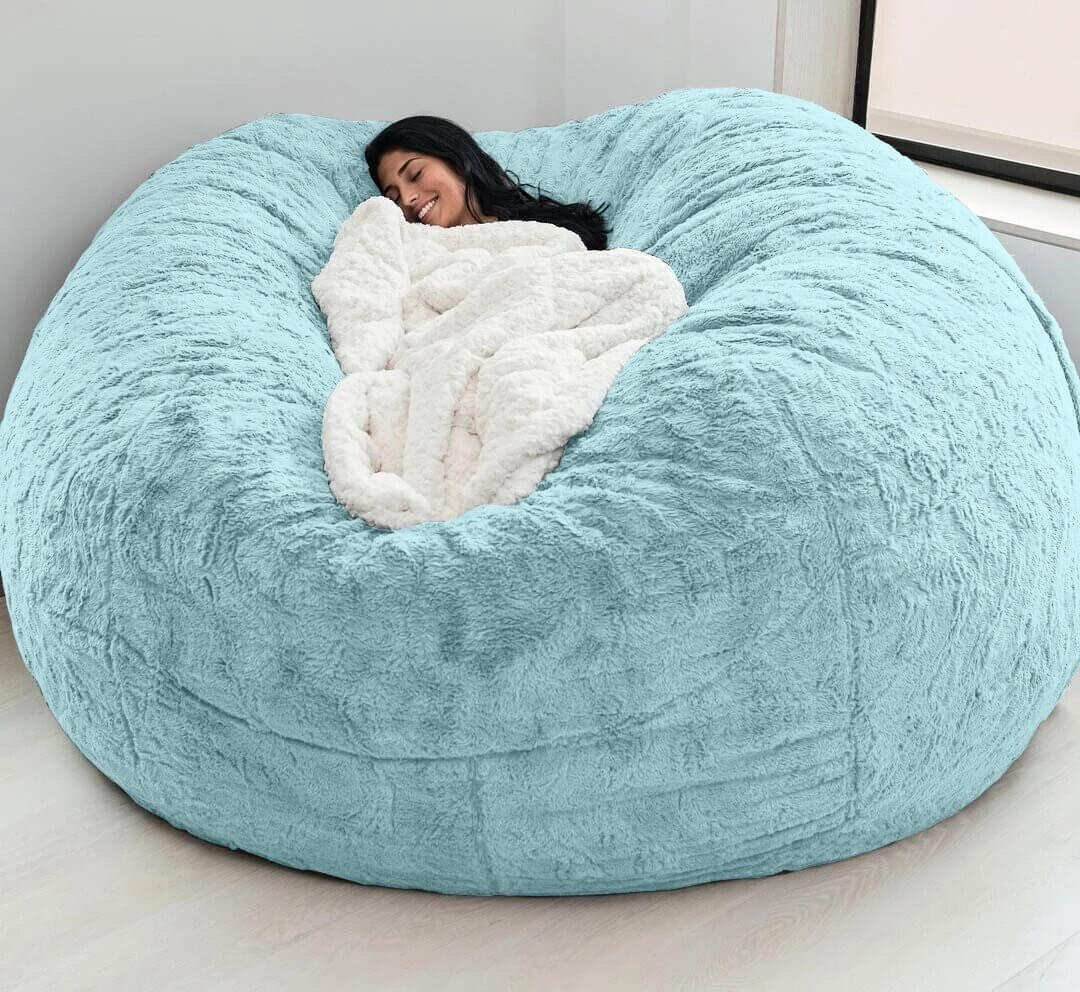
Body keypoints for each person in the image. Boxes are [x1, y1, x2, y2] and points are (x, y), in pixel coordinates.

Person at [365, 115, 613, 250]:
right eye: (394, 198)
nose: (407, 199)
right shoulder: (411, 252)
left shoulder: (551, 230)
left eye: (415, 174)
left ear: (457, 160)